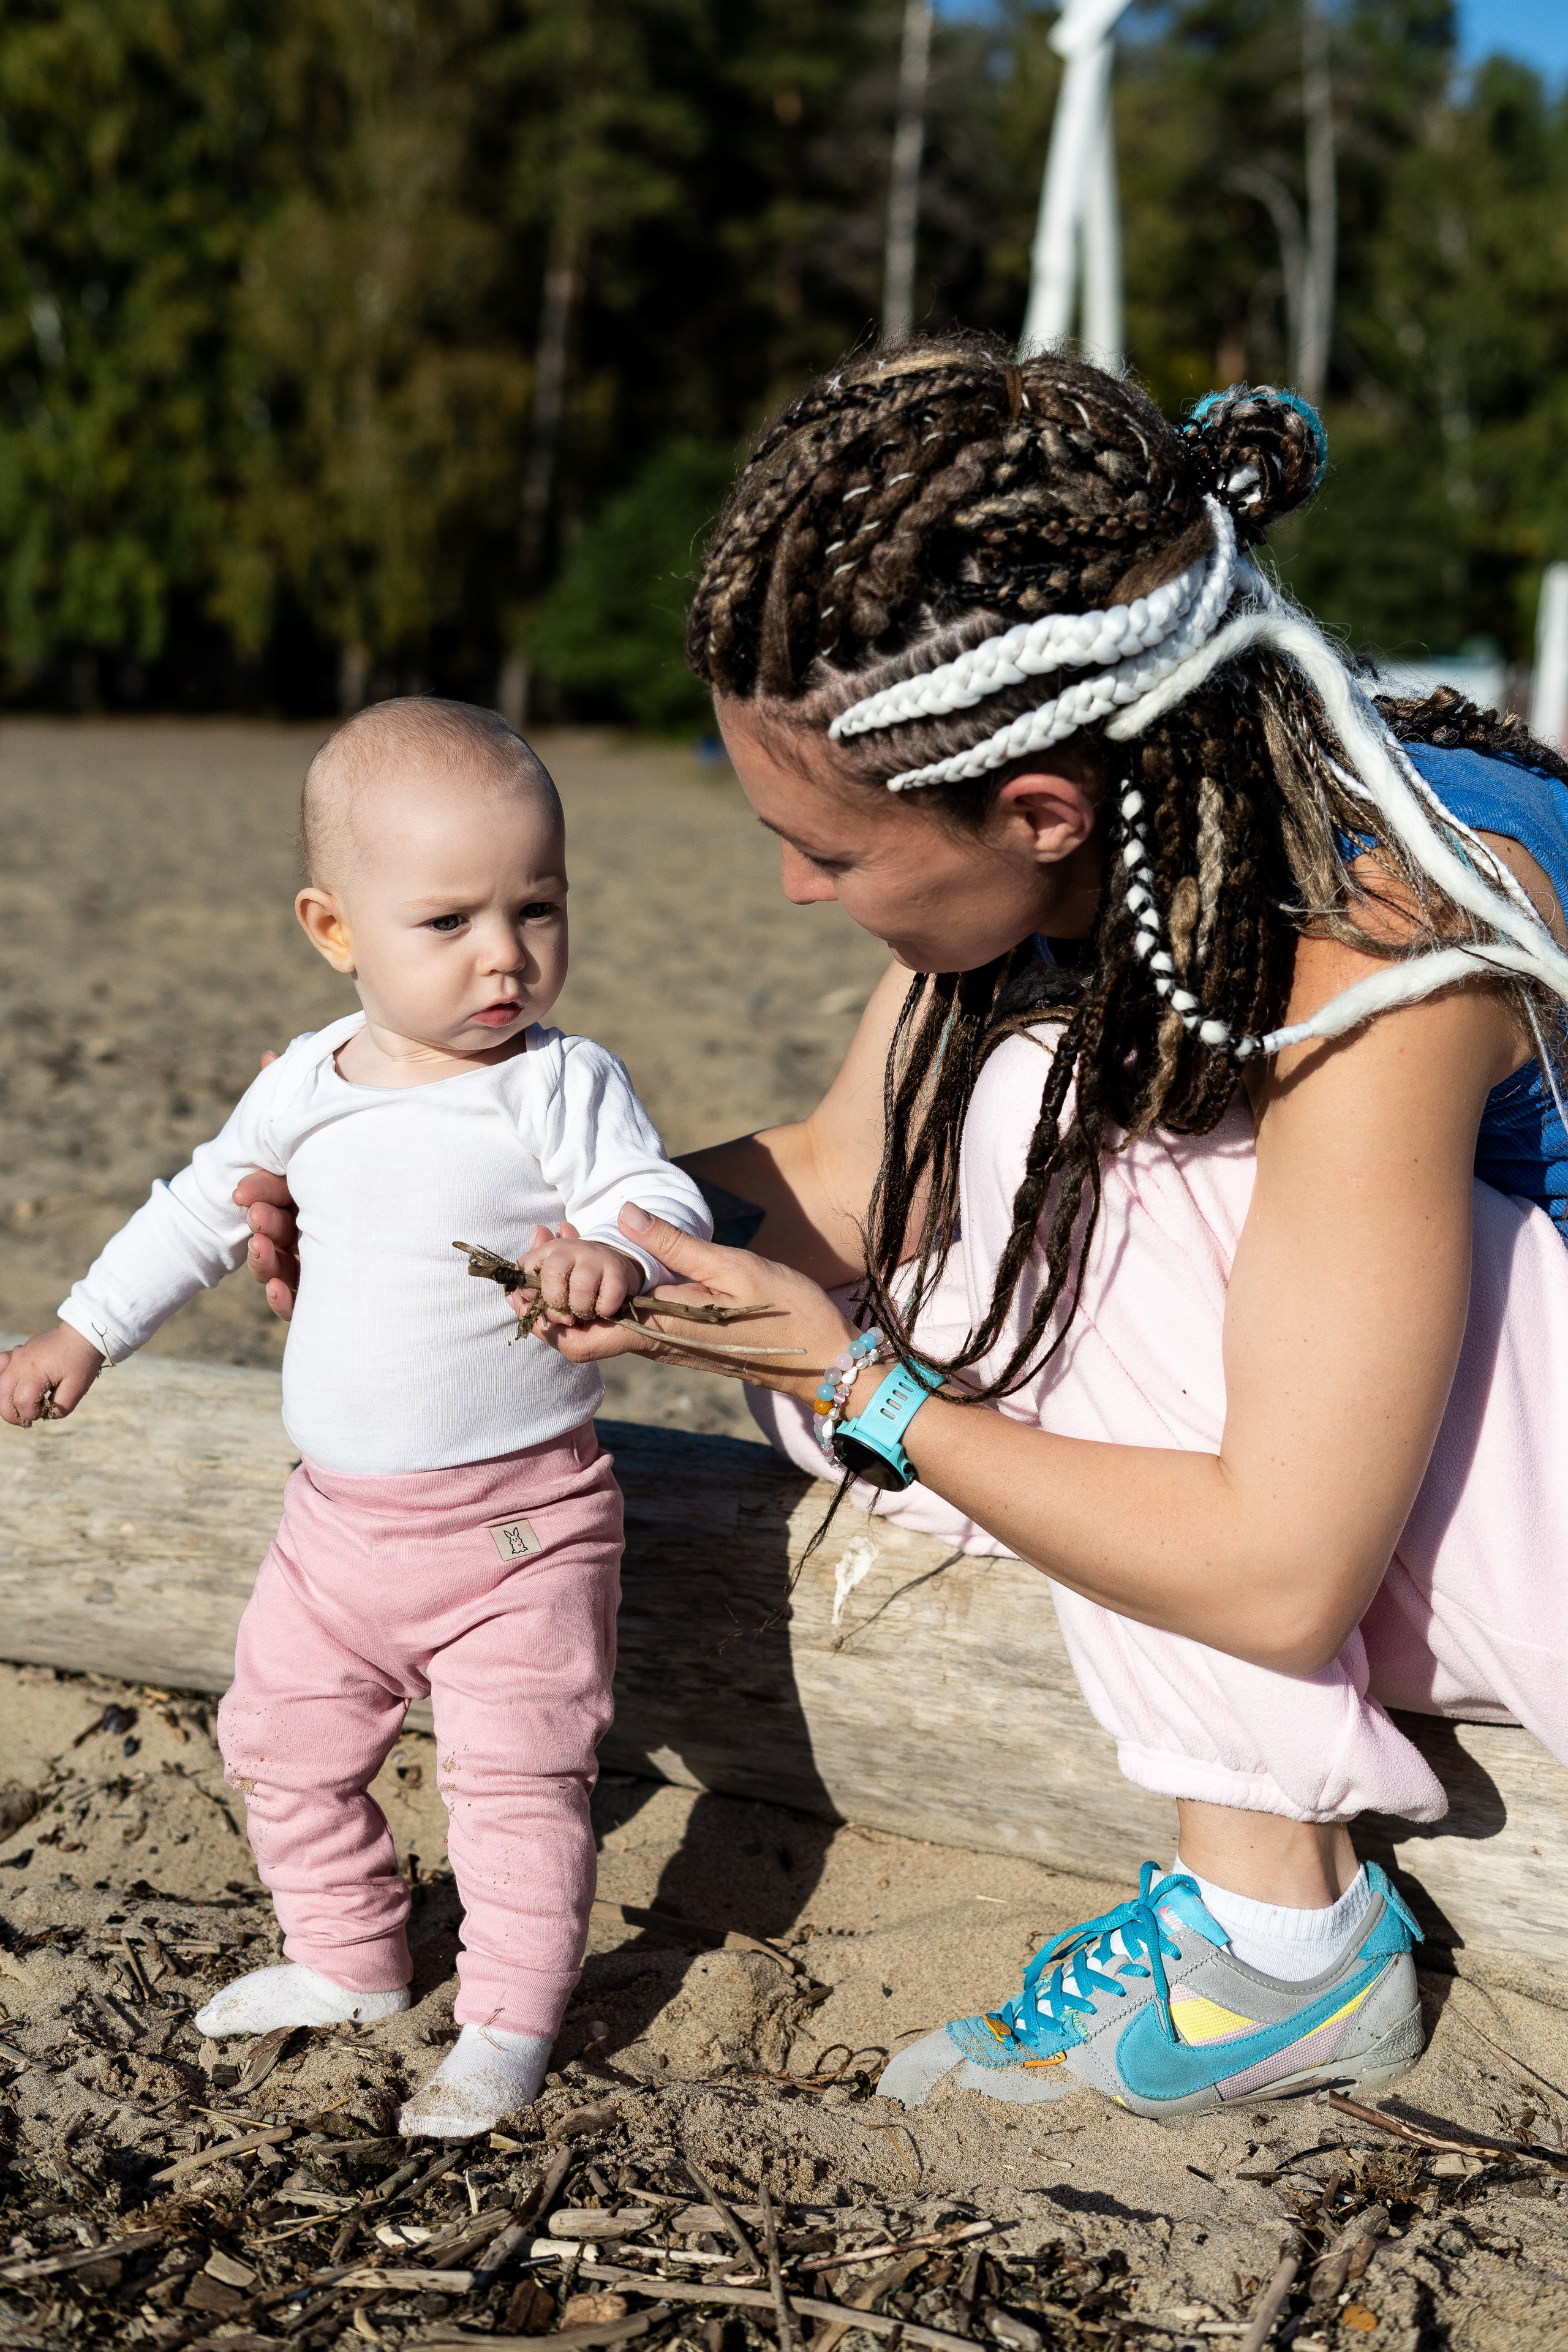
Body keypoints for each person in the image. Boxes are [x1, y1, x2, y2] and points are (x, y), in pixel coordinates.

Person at [239, 341, 1568, 2124]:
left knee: (1041, 1144)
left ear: (1036, 811)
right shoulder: (1118, 810)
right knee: (965, 1191)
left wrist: (866, 1386)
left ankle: (1277, 1940)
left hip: (1461, 1528)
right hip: (1417, 1470)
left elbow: (1280, 1575)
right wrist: (444, 1216)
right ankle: (1265, 1877)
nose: (797, 889)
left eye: (835, 856)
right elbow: (845, 1180)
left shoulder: (1378, 928)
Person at [0, 697, 711, 2137]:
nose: (505, 954)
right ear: (335, 930)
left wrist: (615, 1248)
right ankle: (347, 1958)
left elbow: (661, 1195)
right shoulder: (301, 1085)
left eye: (538, 908)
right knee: (277, 1745)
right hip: (332, 1530)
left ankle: (508, 2021)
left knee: (516, 1786)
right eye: (446, 921)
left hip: (519, 1531)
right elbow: (198, 1209)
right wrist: (83, 1329)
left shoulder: (554, 1083)